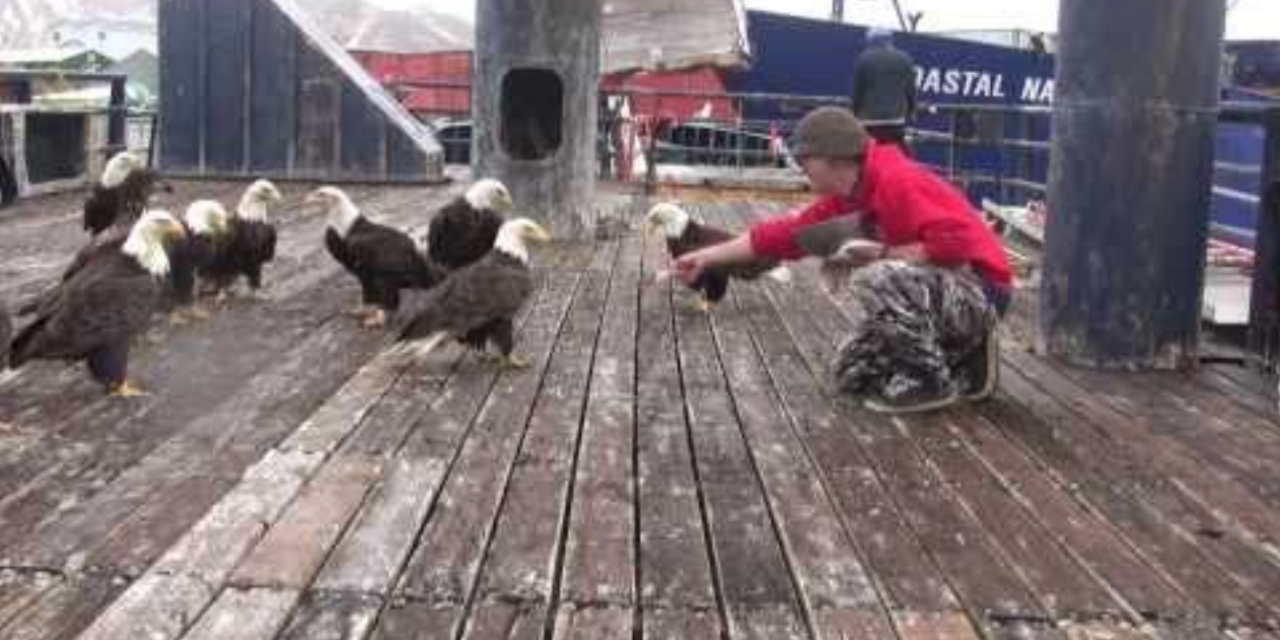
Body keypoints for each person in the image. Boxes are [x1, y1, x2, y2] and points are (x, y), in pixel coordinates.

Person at [673, 106, 1013, 414]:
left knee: (874, 277)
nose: (803, 170)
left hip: (982, 291)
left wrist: (881, 255)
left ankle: (931, 381)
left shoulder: (898, 181)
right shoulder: (851, 195)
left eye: (806, 162)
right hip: (938, 293)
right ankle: (962, 355)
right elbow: (781, 235)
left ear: (833, 160)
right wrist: (706, 258)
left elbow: (959, 243)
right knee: (850, 374)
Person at [850, 27, 917, 150]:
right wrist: (912, 111)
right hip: (896, 120)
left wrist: (854, 114)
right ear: (890, 40)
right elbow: (910, 90)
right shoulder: (904, 59)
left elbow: (858, 92)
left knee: (869, 154)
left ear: (871, 41)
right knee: (895, 154)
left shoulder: (864, 59)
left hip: (869, 121)